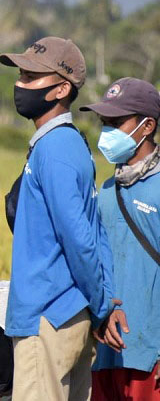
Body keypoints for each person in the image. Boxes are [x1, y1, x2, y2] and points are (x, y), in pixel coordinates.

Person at [0, 36, 114, 401]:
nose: (20, 85)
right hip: (67, 311)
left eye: (31, 77)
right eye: (20, 75)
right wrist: (101, 301)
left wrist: (102, 305)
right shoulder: (69, 144)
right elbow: (97, 232)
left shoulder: (55, 149)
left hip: (48, 314)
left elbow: (80, 237)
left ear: (61, 88)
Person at [79, 77, 160, 400]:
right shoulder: (108, 190)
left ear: (147, 126)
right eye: (105, 122)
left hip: (150, 353)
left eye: (117, 122)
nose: (108, 131)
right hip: (106, 352)